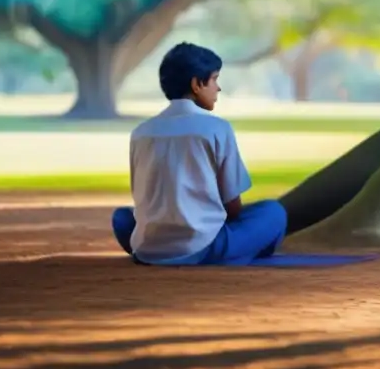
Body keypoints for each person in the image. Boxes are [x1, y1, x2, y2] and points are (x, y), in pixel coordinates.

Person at [110, 42, 287, 265]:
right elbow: (233, 208)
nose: (218, 88)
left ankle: (163, 252)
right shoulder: (217, 128)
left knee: (122, 217)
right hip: (204, 246)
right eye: (214, 79)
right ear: (196, 84)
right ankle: (231, 254)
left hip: (149, 248)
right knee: (273, 212)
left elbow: (142, 199)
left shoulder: (140, 132)